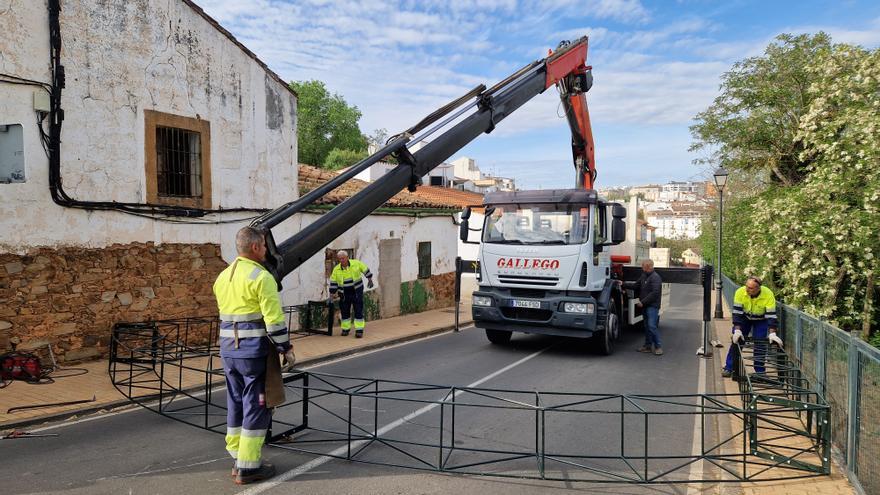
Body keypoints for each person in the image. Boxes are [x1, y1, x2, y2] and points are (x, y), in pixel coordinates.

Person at [213, 226, 295, 485]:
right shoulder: (261, 278)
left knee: (236, 402)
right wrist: (286, 348)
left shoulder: (223, 277)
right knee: (257, 406)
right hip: (252, 353)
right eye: (263, 246)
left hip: (228, 352)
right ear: (257, 247)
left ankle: (237, 456)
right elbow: (273, 321)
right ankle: (249, 466)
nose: (266, 251)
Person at [722, 276, 783, 378]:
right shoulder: (740, 292)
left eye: (750, 288)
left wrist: (772, 333)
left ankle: (760, 372)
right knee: (737, 341)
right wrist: (737, 331)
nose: (747, 289)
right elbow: (737, 313)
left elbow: (771, 315)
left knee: (760, 344)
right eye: (746, 286)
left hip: (761, 320)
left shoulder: (768, 294)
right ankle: (729, 368)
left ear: (758, 288)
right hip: (744, 318)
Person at [329, 250, 374, 338]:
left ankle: (359, 330)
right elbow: (333, 282)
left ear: (347, 258)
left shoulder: (356, 263)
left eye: (343, 258)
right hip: (344, 294)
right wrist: (331, 295)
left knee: (358, 310)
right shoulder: (336, 269)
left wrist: (370, 279)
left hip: (356, 292)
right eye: (339, 259)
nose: (341, 260)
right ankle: (345, 329)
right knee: (345, 311)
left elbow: (365, 269)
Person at [623, 259, 663, 355]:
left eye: (643, 267)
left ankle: (658, 347)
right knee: (647, 327)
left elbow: (655, 293)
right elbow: (636, 285)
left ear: (648, 267)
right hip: (646, 306)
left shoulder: (655, 277)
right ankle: (648, 346)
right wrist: (623, 284)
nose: (642, 268)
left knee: (652, 326)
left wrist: (643, 302)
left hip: (652, 306)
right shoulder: (644, 275)